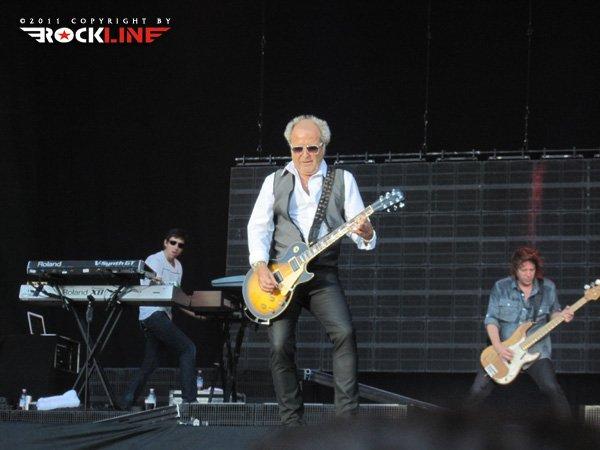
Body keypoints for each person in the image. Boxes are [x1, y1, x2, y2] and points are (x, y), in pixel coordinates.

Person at [247, 115, 376, 425]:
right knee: (280, 345)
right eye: (298, 149)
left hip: (322, 274)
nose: (305, 155)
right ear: (290, 148)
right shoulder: (274, 180)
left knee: (344, 333)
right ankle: (292, 423)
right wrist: (260, 266)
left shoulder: (342, 180)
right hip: (281, 276)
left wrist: (367, 232)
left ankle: (346, 423)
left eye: (312, 148)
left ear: (324, 147)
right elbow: (259, 227)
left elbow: (362, 233)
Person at [465, 246, 574, 419]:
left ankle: (568, 429)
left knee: (552, 388)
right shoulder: (501, 287)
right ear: (515, 269)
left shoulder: (548, 288)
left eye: (532, 270)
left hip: (536, 350)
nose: (528, 274)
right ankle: (457, 427)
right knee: (478, 390)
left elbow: (554, 312)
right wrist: (499, 347)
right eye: (524, 270)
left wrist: (562, 316)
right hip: (504, 351)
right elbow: (491, 320)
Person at [120, 228, 197, 409]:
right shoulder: (154, 260)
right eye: (173, 243)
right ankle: (189, 401)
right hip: (152, 314)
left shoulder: (179, 267)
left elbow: (175, 297)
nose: (176, 247)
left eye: (180, 245)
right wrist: (156, 282)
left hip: (164, 316)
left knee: (151, 363)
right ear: (165, 243)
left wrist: (196, 312)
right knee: (188, 348)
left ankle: (125, 402)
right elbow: (146, 288)